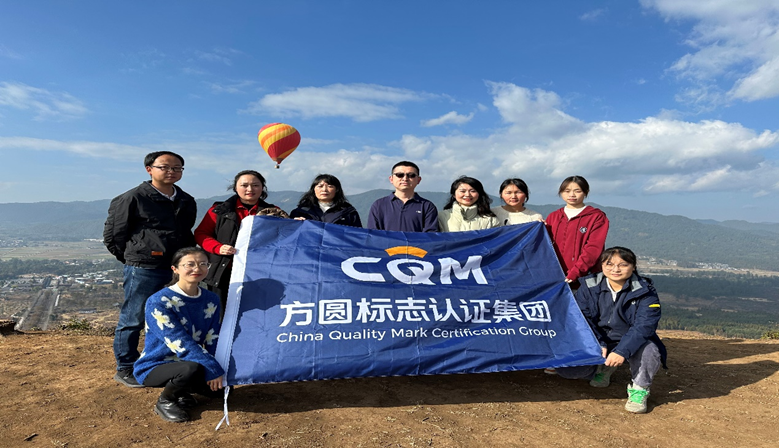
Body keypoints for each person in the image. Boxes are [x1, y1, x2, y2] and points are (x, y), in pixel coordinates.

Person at [104, 151, 197, 388]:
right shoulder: (132, 198)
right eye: (164, 167)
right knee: (133, 317)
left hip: (177, 268)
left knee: (172, 316)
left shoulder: (186, 200)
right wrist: (135, 257)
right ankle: (126, 366)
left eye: (177, 168)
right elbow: (114, 236)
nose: (171, 172)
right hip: (144, 267)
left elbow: (186, 232)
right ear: (149, 169)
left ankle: (161, 360)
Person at [556, 247, 667, 414]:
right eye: (609, 264)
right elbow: (580, 318)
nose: (615, 269)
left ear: (633, 267)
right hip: (598, 338)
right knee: (567, 370)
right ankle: (602, 368)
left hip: (628, 340)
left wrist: (621, 351)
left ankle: (639, 388)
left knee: (649, 350)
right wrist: (597, 342)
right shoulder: (588, 286)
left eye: (623, 264)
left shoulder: (645, 291)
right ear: (601, 265)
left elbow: (644, 326)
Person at [133, 247, 224, 423]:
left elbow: (213, 337)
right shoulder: (159, 302)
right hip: (156, 365)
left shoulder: (210, 299)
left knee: (220, 390)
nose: (197, 269)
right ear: (175, 269)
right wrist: (213, 369)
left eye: (203, 264)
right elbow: (180, 343)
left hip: (191, 360)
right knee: (190, 369)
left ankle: (183, 391)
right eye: (190, 264)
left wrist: (218, 367)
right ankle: (166, 401)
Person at [194, 170, 278, 311]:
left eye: (255, 185)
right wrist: (218, 247)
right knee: (221, 311)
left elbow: (284, 236)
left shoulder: (273, 212)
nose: (250, 189)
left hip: (259, 271)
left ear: (262, 188)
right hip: (223, 270)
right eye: (244, 185)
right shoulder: (219, 210)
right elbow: (201, 233)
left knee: (256, 310)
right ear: (235, 188)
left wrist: (298, 224)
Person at [546, 175, 609, 285]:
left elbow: (593, 248)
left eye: (577, 191)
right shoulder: (554, 216)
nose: (571, 195)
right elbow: (545, 246)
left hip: (584, 278)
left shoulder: (596, 217)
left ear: (585, 192)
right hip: (555, 277)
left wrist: (576, 272)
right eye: (567, 191)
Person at [367, 161, 438, 232]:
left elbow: (430, 235)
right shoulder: (379, 205)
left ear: (418, 180)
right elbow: (372, 234)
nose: (405, 178)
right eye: (400, 175)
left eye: (411, 175)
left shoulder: (427, 207)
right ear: (391, 179)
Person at [289, 174, 362, 227]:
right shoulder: (300, 212)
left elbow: (357, 236)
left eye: (330, 186)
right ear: (313, 189)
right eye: (320, 186)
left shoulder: (348, 212)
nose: (324, 190)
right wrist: (293, 223)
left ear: (337, 190)